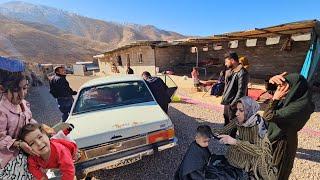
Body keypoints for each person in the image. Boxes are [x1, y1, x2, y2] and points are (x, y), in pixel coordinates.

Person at [206, 96, 277, 180]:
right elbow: (224, 130)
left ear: (249, 111)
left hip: (250, 159)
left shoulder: (257, 126)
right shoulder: (238, 120)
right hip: (238, 154)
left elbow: (259, 150)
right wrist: (211, 132)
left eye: (241, 110)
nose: (237, 113)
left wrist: (235, 142)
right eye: (237, 109)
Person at [263, 73, 314, 180]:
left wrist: (275, 99)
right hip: (275, 137)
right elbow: (272, 91)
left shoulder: (300, 106)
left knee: (276, 173)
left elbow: (268, 115)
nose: (281, 89)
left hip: (282, 144)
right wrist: (271, 81)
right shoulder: (293, 96)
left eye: (284, 85)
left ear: (294, 87)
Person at [0, 72, 37, 179]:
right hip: (9, 162)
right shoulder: (1, 110)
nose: (22, 94)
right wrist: (18, 144)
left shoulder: (24, 103)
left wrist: (40, 127)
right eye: (16, 90)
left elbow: (28, 120)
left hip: (27, 157)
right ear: (2, 88)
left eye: (24, 88)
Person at [221, 52, 249, 137]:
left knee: (232, 121)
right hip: (227, 101)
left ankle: (230, 138)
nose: (225, 64)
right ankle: (224, 134)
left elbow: (241, 91)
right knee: (226, 117)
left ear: (232, 60)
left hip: (234, 103)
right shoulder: (230, 71)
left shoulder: (242, 72)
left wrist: (234, 104)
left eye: (226, 62)